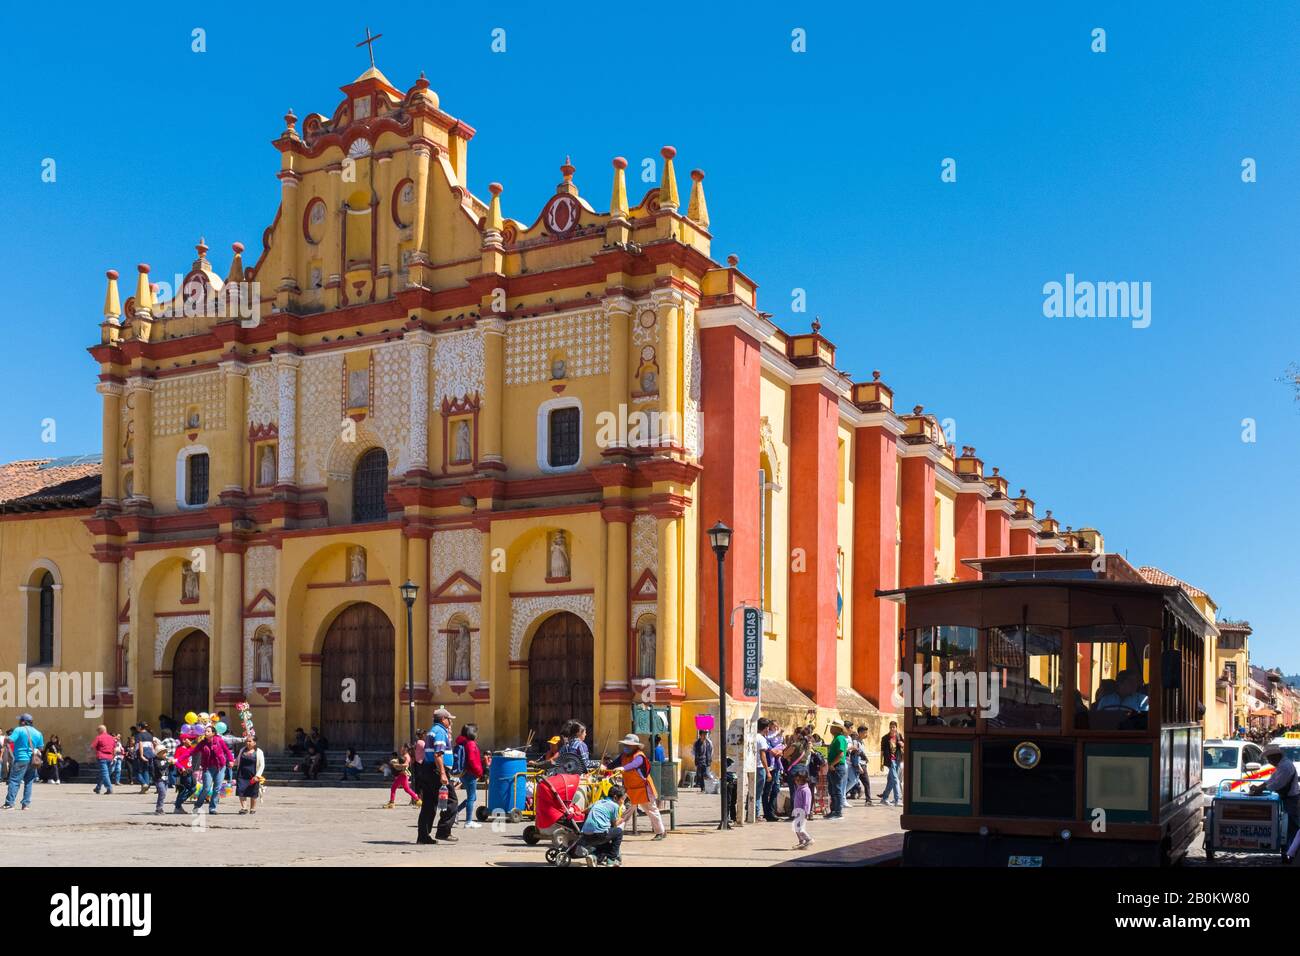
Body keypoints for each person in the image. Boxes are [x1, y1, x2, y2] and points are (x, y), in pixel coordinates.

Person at [607, 734, 666, 840]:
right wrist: (606, 767)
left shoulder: (639, 756)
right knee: (625, 811)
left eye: (629, 745)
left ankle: (660, 832)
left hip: (643, 788)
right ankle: (617, 832)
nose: (626, 747)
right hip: (630, 789)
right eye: (626, 745)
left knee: (651, 810)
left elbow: (634, 764)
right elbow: (614, 764)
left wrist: (623, 768)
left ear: (635, 746)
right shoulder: (623, 756)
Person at [416, 706, 459, 845]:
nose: (450, 722)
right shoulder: (440, 732)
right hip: (436, 771)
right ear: (443, 719)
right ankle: (443, 831)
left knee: (429, 804)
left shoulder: (432, 731)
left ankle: (423, 836)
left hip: (428, 770)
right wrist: (442, 773)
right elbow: (438, 754)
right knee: (452, 801)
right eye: (449, 719)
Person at [1252, 744, 1300, 849]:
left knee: (1292, 825)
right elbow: (1271, 780)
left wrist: (1261, 789)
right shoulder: (1281, 765)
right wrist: (1260, 786)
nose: (1269, 762)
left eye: (1269, 759)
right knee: (1289, 824)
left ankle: (1293, 850)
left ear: (1275, 756)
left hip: (1291, 799)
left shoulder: (1285, 766)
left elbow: (1278, 784)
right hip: (1288, 798)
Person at [576, 783, 627, 866]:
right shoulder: (614, 806)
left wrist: (578, 811)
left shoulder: (599, 802)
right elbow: (614, 824)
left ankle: (594, 856)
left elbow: (586, 811)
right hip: (600, 834)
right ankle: (612, 859)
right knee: (619, 832)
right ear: (615, 797)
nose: (623, 801)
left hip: (586, 834)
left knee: (605, 842)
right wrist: (622, 820)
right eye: (622, 799)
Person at [3, 715, 44, 810]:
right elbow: (41, 747)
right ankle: (25, 805)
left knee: (14, 781)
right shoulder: (38, 733)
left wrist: (5, 738)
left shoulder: (19, 730)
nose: (19, 722)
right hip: (33, 761)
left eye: (20, 720)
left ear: (23, 722)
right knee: (29, 782)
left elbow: (10, 740)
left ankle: (9, 804)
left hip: (21, 759)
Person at [193, 726, 235, 815]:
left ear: (213, 733)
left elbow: (227, 751)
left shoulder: (219, 741)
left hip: (220, 767)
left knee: (217, 789)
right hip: (208, 768)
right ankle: (197, 806)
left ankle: (212, 808)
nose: (206, 732)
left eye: (208, 731)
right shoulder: (202, 743)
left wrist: (231, 760)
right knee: (206, 788)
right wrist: (178, 759)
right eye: (205, 731)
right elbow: (191, 752)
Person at [456, 724, 485, 828]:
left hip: (464, 773)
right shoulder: (471, 744)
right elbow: (472, 760)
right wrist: (479, 772)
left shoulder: (463, 742)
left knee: (472, 797)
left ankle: (455, 812)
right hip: (470, 773)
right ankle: (468, 821)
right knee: (472, 797)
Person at [385, 744, 421, 809]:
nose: (401, 749)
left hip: (403, 774)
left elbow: (405, 765)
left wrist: (396, 765)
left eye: (402, 748)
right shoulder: (405, 756)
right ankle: (418, 801)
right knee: (406, 789)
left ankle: (391, 803)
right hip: (403, 774)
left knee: (394, 787)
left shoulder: (406, 756)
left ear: (405, 749)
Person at [236, 736, 265, 814]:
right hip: (241, 774)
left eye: (250, 741)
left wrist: (257, 776)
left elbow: (262, 765)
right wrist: (233, 763)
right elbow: (238, 759)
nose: (247, 743)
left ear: (254, 743)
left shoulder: (259, 752)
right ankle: (244, 808)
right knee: (240, 790)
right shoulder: (242, 750)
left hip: (253, 775)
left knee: (253, 792)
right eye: (247, 741)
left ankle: (252, 808)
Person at [825, 722, 848, 819]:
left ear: (838, 729)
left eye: (833, 727)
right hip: (833, 766)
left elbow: (841, 754)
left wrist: (832, 764)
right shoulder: (836, 738)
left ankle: (838, 812)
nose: (831, 728)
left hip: (837, 767)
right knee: (832, 789)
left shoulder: (840, 739)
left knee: (836, 790)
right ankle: (833, 810)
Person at [879, 720, 904, 807]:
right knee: (896, 780)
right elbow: (882, 752)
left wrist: (902, 744)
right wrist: (881, 763)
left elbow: (904, 744)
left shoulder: (899, 736)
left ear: (896, 728)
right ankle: (897, 800)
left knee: (891, 780)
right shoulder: (885, 738)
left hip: (898, 759)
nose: (892, 729)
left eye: (894, 727)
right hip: (890, 761)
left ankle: (884, 798)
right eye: (891, 727)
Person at [172, 735, 196, 813]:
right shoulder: (179, 749)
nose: (191, 741)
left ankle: (178, 804)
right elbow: (175, 761)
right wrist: (181, 768)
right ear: (184, 740)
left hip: (190, 771)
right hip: (183, 772)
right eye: (190, 739)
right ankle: (178, 806)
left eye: (192, 740)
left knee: (193, 788)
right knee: (184, 789)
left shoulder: (191, 748)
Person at [791, 770, 814, 850]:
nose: (796, 782)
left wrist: (806, 812)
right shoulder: (799, 788)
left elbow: (807, 803)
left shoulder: (805, 790)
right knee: (795, 828)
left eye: (798, 780)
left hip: (802, 812)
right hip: (797, 811)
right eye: (796, 780)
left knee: (800, 828)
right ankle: (802, 842)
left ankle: (808, 839)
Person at [91, 725, 116, 795]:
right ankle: (98, 788)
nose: (97, 732)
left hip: (102, 757)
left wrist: (92, 755)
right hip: (110, 757)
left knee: (105, 773)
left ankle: (109, 788)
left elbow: (92, 746)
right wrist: (113, 757)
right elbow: (114, 748)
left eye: (98, 731)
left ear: (100, 730)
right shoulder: (112, 738)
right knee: (103, 773)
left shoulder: (99, 737)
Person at [151, 739, 172, 815]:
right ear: (158, 754)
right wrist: (168, 763)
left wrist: (171, 763)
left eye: (165, 752)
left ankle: (160, 808)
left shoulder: (165, 759)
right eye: (163, 753)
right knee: (162, 793)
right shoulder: (156, 761)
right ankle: (158, 808)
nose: (165, 754)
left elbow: (168, 768)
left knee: (163, 794)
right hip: (159, 779)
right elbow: (160, 768)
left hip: (165, 779)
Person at [693, 728, 714, 793]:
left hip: (706, 760)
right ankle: (702, 787)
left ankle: (704, 787)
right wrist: (696, 758)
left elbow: (711, 750)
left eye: (706, 734)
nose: (705, 736)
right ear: (700, 735)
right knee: (700, 775)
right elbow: (693, 751)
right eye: (704, 734)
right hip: (699, 761)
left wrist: (710, 758)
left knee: (705, 774)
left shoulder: (709, 742)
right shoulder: (697, 743)